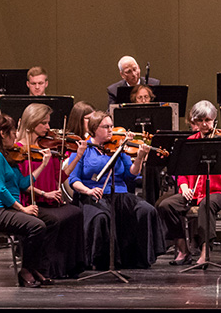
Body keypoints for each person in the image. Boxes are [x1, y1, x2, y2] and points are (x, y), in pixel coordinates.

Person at [69, 112, 161, 269]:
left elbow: (130, 174)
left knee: (146, 210)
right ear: (93, 129)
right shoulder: (83, 149)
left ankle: (136, 259)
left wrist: (139, 158)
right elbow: (73, 180)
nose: (111, 130)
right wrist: (88, 191)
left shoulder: (119, 147)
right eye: (106, 127)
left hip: (119, 193)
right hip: (92, 195)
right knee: (101, 217)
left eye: (112, 126)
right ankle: (101, 261)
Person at [0, 113, 57, 287]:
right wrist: (22, 209)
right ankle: (26, 270)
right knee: (36, 225)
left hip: (5, 209)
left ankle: (35, 267)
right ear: (4, 133)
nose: (16, 136)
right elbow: (0, 189)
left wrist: (43, 164)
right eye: (13, 132)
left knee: (51, 221)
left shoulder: (5, 156)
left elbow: (22, 183)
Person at [156, 100, 221, 265]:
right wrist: (185, 186)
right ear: (194, 122)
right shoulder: (190, 142)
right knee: (166, 205)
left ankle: (205, 251)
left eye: (207, 120)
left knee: (206, 203)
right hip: (195, 193)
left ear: (214, 120)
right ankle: (183, 248)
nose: (204, 124)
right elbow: (182, 171)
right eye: (200, 121)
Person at [15, 103, 87, 277]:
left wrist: (77, 156)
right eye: (44, 123)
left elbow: (60, 177)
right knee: (55, 220)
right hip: (31, 201)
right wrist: (43, 193)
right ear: (32, 123)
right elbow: (20, 183)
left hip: (50, 201)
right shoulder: (18, 150)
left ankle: (65, 268)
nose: (48, 127)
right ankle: (44, 268)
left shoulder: (49, 147)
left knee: (76, 212)